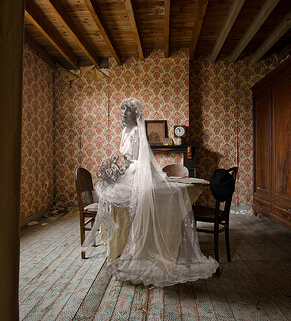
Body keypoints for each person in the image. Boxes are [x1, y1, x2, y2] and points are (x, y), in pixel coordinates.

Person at [82, 98, 218, 287]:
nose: (123, 114)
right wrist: (119, 171)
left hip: (139, 172)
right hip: (131, 172)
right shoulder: (126, 131)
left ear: (135, 114)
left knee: (143, 199)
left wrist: (126, 173)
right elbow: (128, 160)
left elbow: (139, 160)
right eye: (122, 110)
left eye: (127, 111)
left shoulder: (137, 132)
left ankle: (148, 243)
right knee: (118, 197)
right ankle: (125, 241)